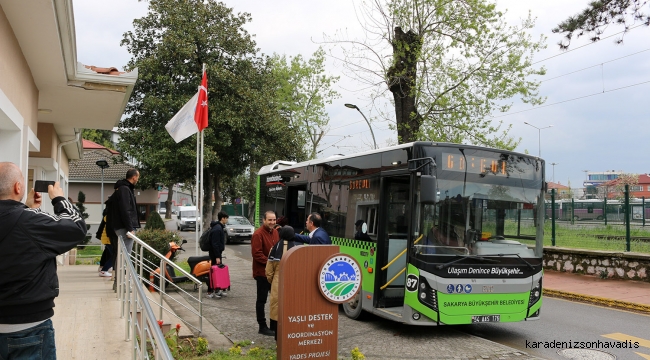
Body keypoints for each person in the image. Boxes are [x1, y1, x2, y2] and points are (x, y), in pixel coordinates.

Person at [0, 162, 87, 359]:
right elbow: (76, 228)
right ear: (17, 187)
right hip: (29, 328)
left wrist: (27, 208)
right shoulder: (29, 221)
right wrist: (59, 200)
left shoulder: (25, 218)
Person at [266, 225, 299, 341]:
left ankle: (277, 337)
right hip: (293, 283)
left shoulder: (274, 248)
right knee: (291, 307)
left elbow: (268, 271)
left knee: (276, 307)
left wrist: (272, 280)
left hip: (277, 282)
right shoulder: (297, 249)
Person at [251, 210, 278, 336]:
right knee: (261, 300)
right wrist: (271, 263)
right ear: (264, 220)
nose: (272, 222)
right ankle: (262, 326)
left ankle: (274, 324)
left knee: (275, 300)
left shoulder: (276, 232)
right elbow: (257, 254)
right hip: (262, 273)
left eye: (274, 220)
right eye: (270, 220)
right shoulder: (258, 234)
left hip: (274, 273)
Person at [107, 168, 140, 256]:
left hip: (121, 226)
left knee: (122, 255)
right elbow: (125, 209)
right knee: (125, 255)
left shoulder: (123, 188)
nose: (138, 179)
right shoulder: (124, 189)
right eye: (138, 177)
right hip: (124, 227)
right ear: (134, 177)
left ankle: (121, 269)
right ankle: (124, 270)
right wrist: (130, 229)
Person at [207, 211, 228, 299]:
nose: (227, 220)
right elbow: (215, 244)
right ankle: (210, 291)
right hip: (215, 254)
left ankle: (217, 289)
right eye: (226, 218)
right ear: (222, 218)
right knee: (214, 273)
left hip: (217, 253)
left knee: (218, 272)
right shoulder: (217, 228)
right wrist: (217, 257)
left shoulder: (218, 227)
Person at [96, 208, 117, 277]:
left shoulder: (108, 217)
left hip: (106, 239)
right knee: (115, 256)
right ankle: (104, 270)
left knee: (113, 255)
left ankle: (104, 269)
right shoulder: (111, 217)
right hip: (108, 239)